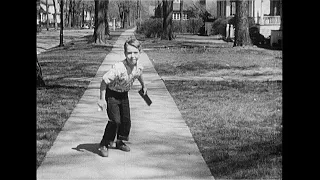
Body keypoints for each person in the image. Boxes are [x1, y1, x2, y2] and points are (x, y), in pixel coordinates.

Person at [97, 38, 147, 157]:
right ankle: (104, 144)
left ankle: (120, 141)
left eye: (135, 52)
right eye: (129, 53)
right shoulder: (118, 68)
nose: (132, 56)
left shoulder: (139, 66)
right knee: (115, 121)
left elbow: (139, 74)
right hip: (112, 94)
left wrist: (144, 86)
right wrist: (102, 99)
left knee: (126, 120)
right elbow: (104, 82)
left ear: (140, 53)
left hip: (124, 94)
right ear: (125, 54)